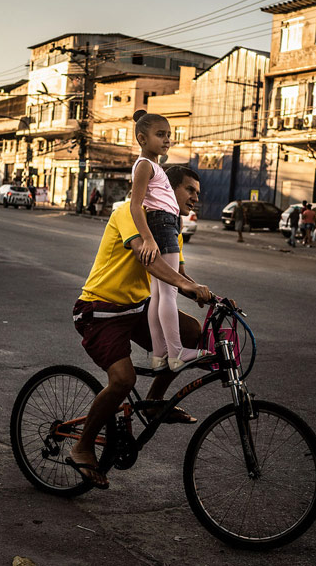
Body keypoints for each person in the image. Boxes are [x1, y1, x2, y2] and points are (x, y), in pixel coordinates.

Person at [70, 165, 214, 489]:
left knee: (190, 331)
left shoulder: (170, 226)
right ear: (165, 187)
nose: (195, 198)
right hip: (100, 308)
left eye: (198, 193)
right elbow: (148, 259)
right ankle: (82, 445)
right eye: (189, 190)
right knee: (122, 379)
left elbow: (179, 274)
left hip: (136, 308)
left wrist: (213, 296)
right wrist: (187, 287)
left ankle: (153, 402)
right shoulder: (127, 213)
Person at [129, 110, 210, 373]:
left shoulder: (153, 166)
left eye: (169, 135)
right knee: (167, 293)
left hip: (165, 224)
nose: (167, 140)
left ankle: (160, 353)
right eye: (160, 135)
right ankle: (176, 352)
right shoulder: (145, 165)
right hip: (161, 225)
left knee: (159, 294)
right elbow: (135, 205)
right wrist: (149, 239)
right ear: (142, 138)